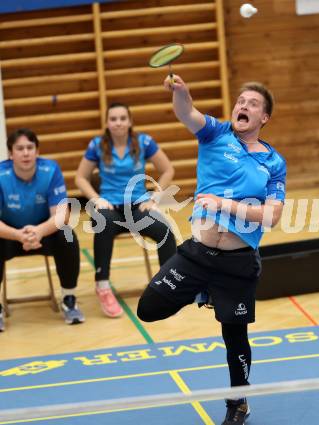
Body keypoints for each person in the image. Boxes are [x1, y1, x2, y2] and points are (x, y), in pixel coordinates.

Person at [137, 75, 286, 425]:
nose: (243, 106)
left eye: (252, 104)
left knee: (234, 335)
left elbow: (271, 216)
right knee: (148, 308)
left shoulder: (273, 163)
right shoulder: (216, 134)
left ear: (264, 117)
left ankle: (238, 401)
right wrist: (181, 91)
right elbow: (187, 113)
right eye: (240, 101)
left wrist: (223, 204)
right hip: (198, 255)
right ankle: (203, 290)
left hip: (237, 263)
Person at [75, 102, 177, 318]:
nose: (118, 122)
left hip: (138, 206)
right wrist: (96, 199)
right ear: (107, 123)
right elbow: (80, 178)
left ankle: (166, 287)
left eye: (123, 118)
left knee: (165, 231)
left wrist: (155, 198)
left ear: (130, 121)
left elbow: (168, 170)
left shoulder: (143, 142)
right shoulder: (97, 145)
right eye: (113, 119)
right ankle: (102, 285)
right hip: (110, 207)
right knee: (102, 224)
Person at [0, 128, 84, 332]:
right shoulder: (1, 174)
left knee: (68, 236)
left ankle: (69, 298)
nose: (26, 153)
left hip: (43, 233)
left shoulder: (51, 170)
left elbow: (62, 215)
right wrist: (19, 235)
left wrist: (38, 231)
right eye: (20, 148)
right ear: (11, 154)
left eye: (30, 148)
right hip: (10, 236)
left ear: (37, 152)